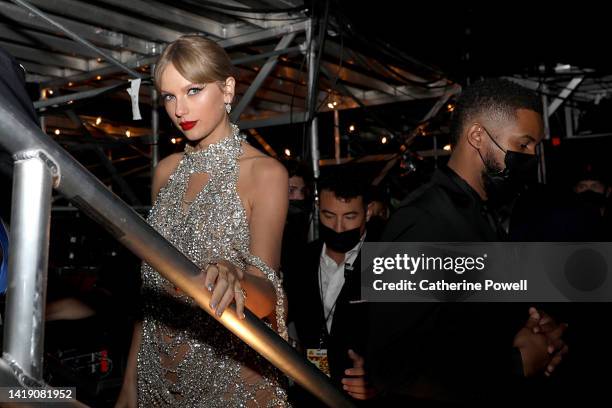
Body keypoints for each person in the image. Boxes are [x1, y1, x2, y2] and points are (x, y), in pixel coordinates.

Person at [115, 35, 291, 407]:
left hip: (228, 380)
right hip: (155, 376)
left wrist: (236, 277)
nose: (180, 109)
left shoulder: (265, 173)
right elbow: (151, 295)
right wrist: (129, 386)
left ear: (227, 88)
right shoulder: (165, 172)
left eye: (193, 90)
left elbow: (269, 294)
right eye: (169, 96)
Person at [368, 79, 568, 405]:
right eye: (524, 145)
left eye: (535, 147)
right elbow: (393, 367)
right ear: (477, 136)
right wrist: (516, 364)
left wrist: (533, 330)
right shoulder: (422, 220)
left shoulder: (483, 212)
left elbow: (465, 328)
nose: (533, 157)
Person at [286, 168, 378, 406]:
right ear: (318, 209)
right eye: (328, 215)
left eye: (349, 217)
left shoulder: (387, 261)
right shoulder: (299, 260)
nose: (338, 227)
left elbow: (415, 340)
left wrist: (380, 377)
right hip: (308, 397)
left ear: (367, 212)